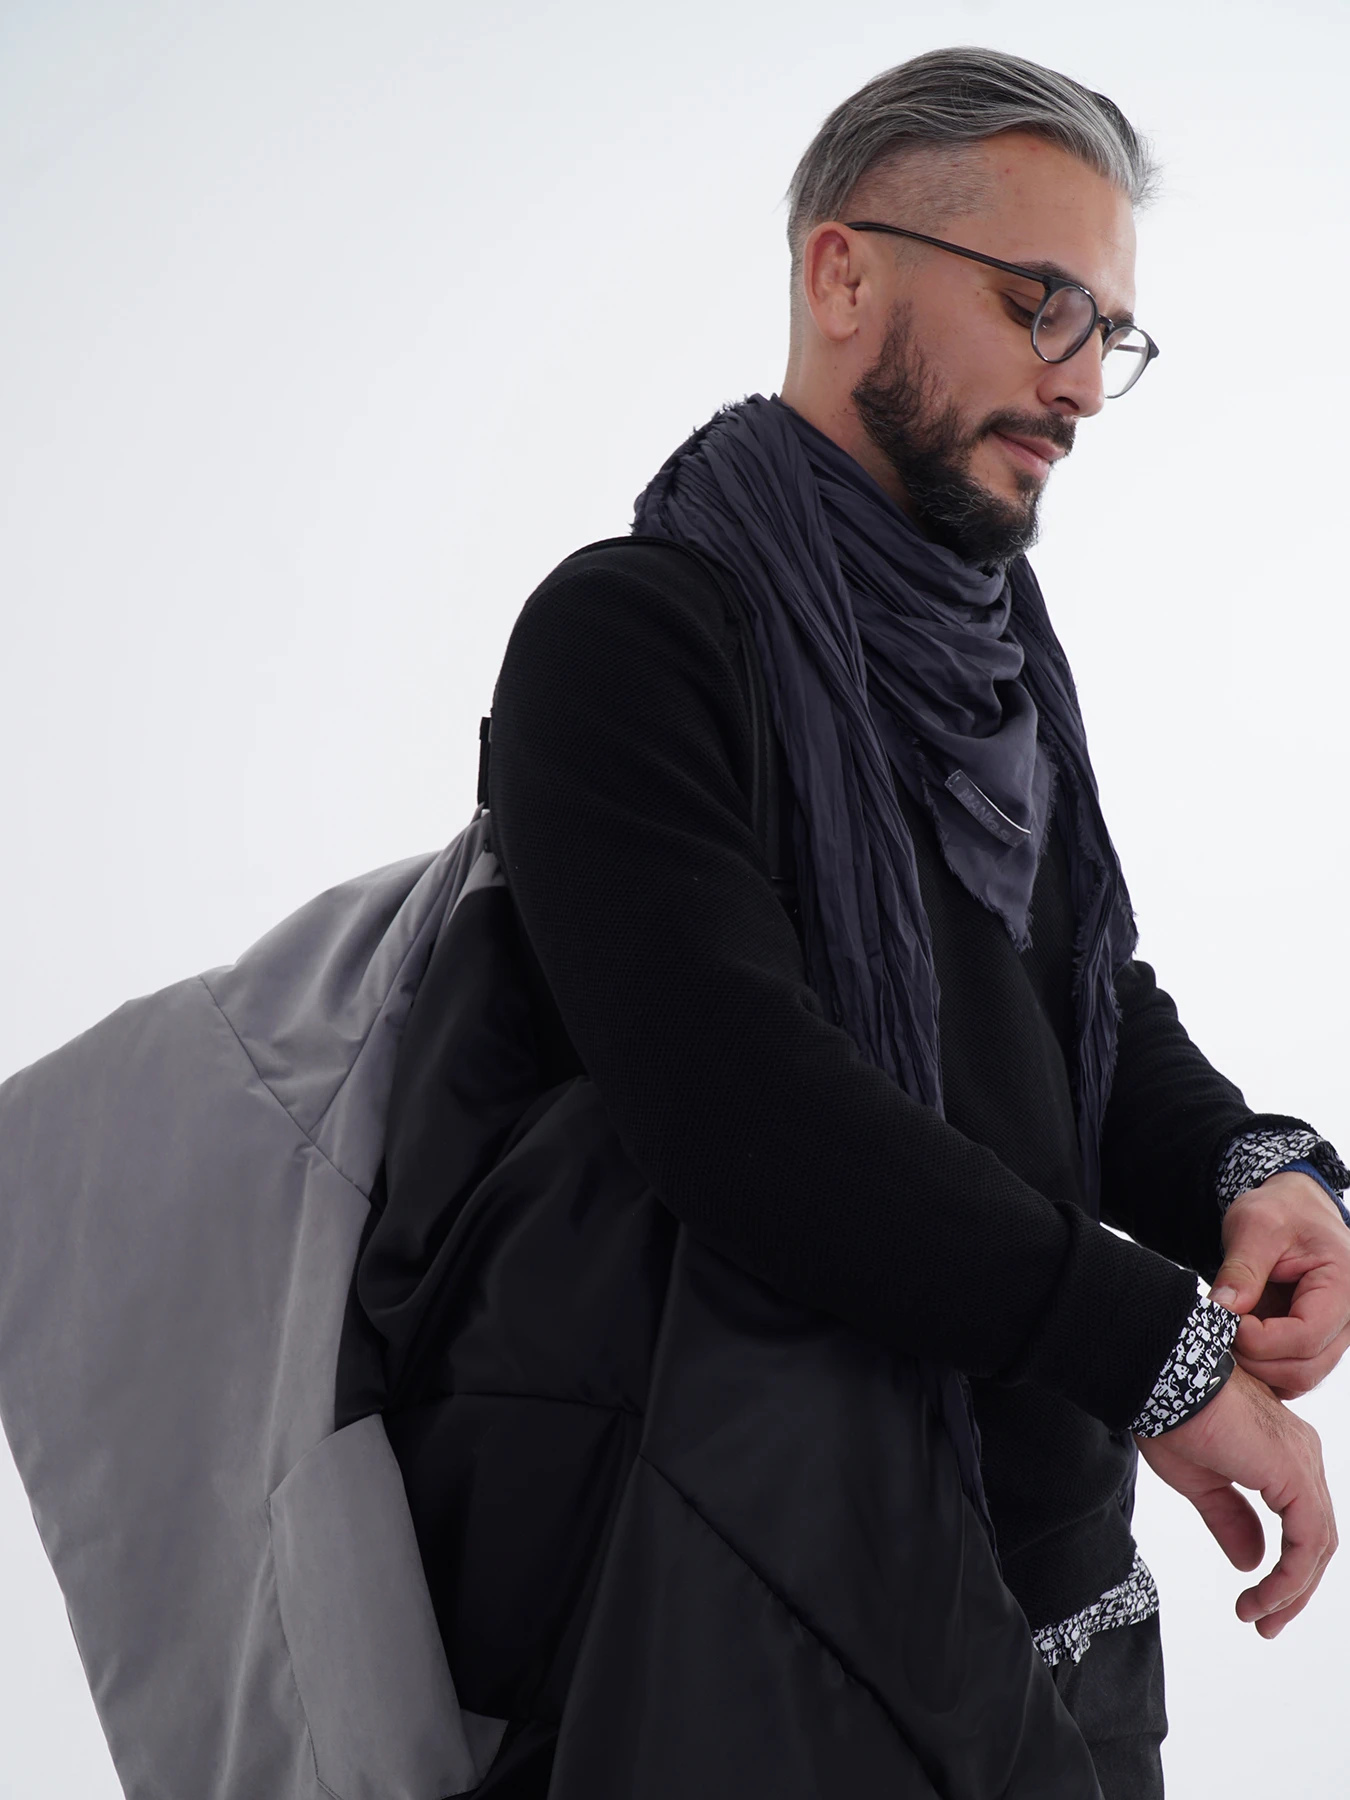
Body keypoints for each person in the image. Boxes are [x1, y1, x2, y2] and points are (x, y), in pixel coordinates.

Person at [483, 47, 1349, 1797]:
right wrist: (1155, 1353)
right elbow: (741, 1112)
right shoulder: (634, 636)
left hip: (1061, 1606)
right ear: (840, 274)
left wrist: (1252, 1169)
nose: (1080, 383)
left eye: (1109, 333)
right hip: (756, 1599)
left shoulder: (992, 638)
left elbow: (1067, 1001)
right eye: (1042, 305)